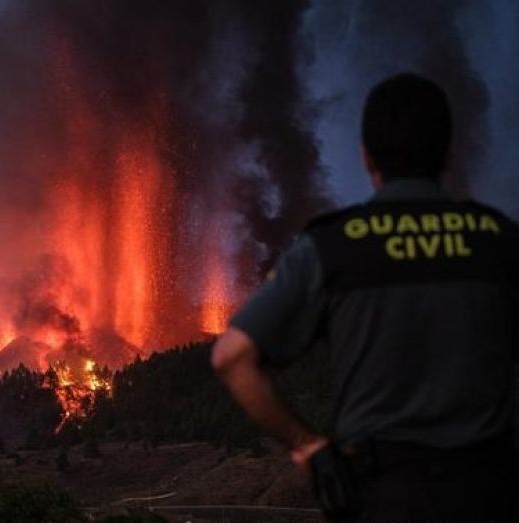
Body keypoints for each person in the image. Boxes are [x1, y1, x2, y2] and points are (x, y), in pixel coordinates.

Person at [211, 73, 518, 522]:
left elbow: (230, 357)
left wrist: (308, 446)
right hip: (489, 494)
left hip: (381, 497)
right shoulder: (502, 242)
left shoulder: (334, 246)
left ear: (366, 157)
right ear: (449, 153)